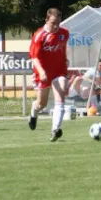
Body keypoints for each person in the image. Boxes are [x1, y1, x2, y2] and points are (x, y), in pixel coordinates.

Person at [28, 8, 70, 141]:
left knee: (60, 95)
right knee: (42, 104)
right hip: (43, 72)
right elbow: (34, 57)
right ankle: (34, 111)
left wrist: (65, 60)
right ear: (46, 20)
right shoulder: (39, 35)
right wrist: (41, 71)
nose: (56, 26)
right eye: (53, 23)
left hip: (59, 70)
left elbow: (62, 48)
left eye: (58, 22)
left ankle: (55, 130)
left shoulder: (64, 33)